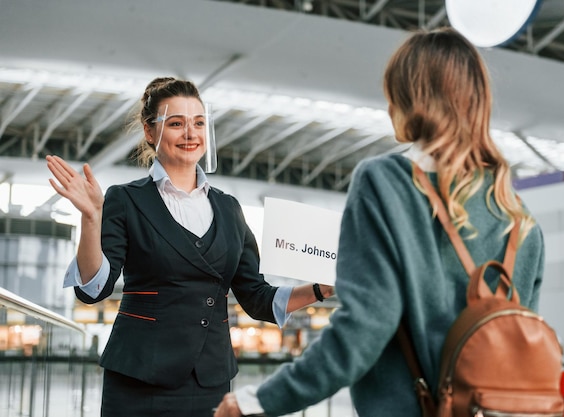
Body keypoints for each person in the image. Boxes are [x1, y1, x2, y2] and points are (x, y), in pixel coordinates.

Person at [214, 27, 545, 417]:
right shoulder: (519, 218)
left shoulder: (386, 183)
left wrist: (255, 400)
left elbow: (362, 330)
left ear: (407, 100)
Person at [45, 77, 333, 417]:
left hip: (209, 379)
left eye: (198, 123)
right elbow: (94, 289)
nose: (190, 133)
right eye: (176, 123)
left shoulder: (230, 209)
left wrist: (319, 288)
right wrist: (92, 219)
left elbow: (256, 297)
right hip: (140, 376)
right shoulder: (126, 199)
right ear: (150, 132)